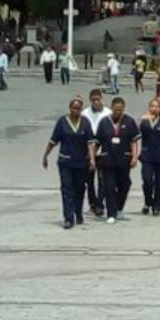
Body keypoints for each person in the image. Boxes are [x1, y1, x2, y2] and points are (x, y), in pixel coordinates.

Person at [40, 95, 96, 229]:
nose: (75, 110)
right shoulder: (62, 122)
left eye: (78, 108)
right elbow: (53, 141)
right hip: (65, 161)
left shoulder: (85, 122)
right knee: (67, 189)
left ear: (81, 109)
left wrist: (92, 159)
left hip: (81, 162)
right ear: (70, 108)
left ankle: (78, 211)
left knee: (80, 188)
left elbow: (90, 143)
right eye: (73, 108)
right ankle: (68, 218)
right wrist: (45, 155)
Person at [95, 95, 138, 223]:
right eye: (116, 108)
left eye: (120, 109)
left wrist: (135, 156)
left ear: (124, 108)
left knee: (125, 184)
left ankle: (119, 208)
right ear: (112, 108)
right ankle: (111, 213)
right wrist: (92, 156)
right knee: (109, 186)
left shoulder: (129, 121)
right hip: (107, 159)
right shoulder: (104, 122)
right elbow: (97, 141)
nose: (118, 111)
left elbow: (134, 140)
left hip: (124, 158)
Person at [137, 97, 160, 216]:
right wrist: (140, 120)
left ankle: (157, 206)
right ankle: (148, 201)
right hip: (147, 155)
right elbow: (135, 133)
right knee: (147, 179)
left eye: (157, 106)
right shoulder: (144, 120)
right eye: (152, 106)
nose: (154, 108)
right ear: (149, 107)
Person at [80, 89, 112, 218]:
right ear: (90, 100)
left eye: (98, 99)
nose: (96, 102)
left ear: (101, 99)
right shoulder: (85, 113)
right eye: (93, 100)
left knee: (102, 179)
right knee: (89, 180)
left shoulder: (108, 113)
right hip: (88, 149)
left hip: (103, 149)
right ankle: (92, 203)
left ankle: (100, 204)